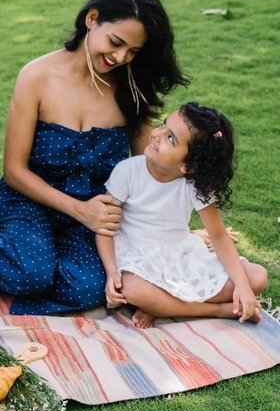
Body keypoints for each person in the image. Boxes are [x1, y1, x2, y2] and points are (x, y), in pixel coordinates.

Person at [0, 0, 188, 314]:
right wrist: (80, 210)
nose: (121, 57)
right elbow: (14, 171)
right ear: (91, 19)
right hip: (30, 199)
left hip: (94, 213)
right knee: (31, 274)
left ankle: (21, 252)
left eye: (133, 51)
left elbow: (149, 169)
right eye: (115, 42)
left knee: (88, 289)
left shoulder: (132, 88)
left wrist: (173, 235)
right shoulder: (37, 76)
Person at [96, 102, 268, 328]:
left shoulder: (194, 186)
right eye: (163, 125)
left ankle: (161, 307)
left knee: (257, 277)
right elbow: (105, 227)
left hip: (178, 253)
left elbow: (219, 237)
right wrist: (111, 272)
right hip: (137, 257)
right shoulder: (127, 171)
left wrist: (243, 287)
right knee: (132, 289)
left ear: (189, 166)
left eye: (170, 138)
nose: (157, 135)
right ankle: (217, 310)